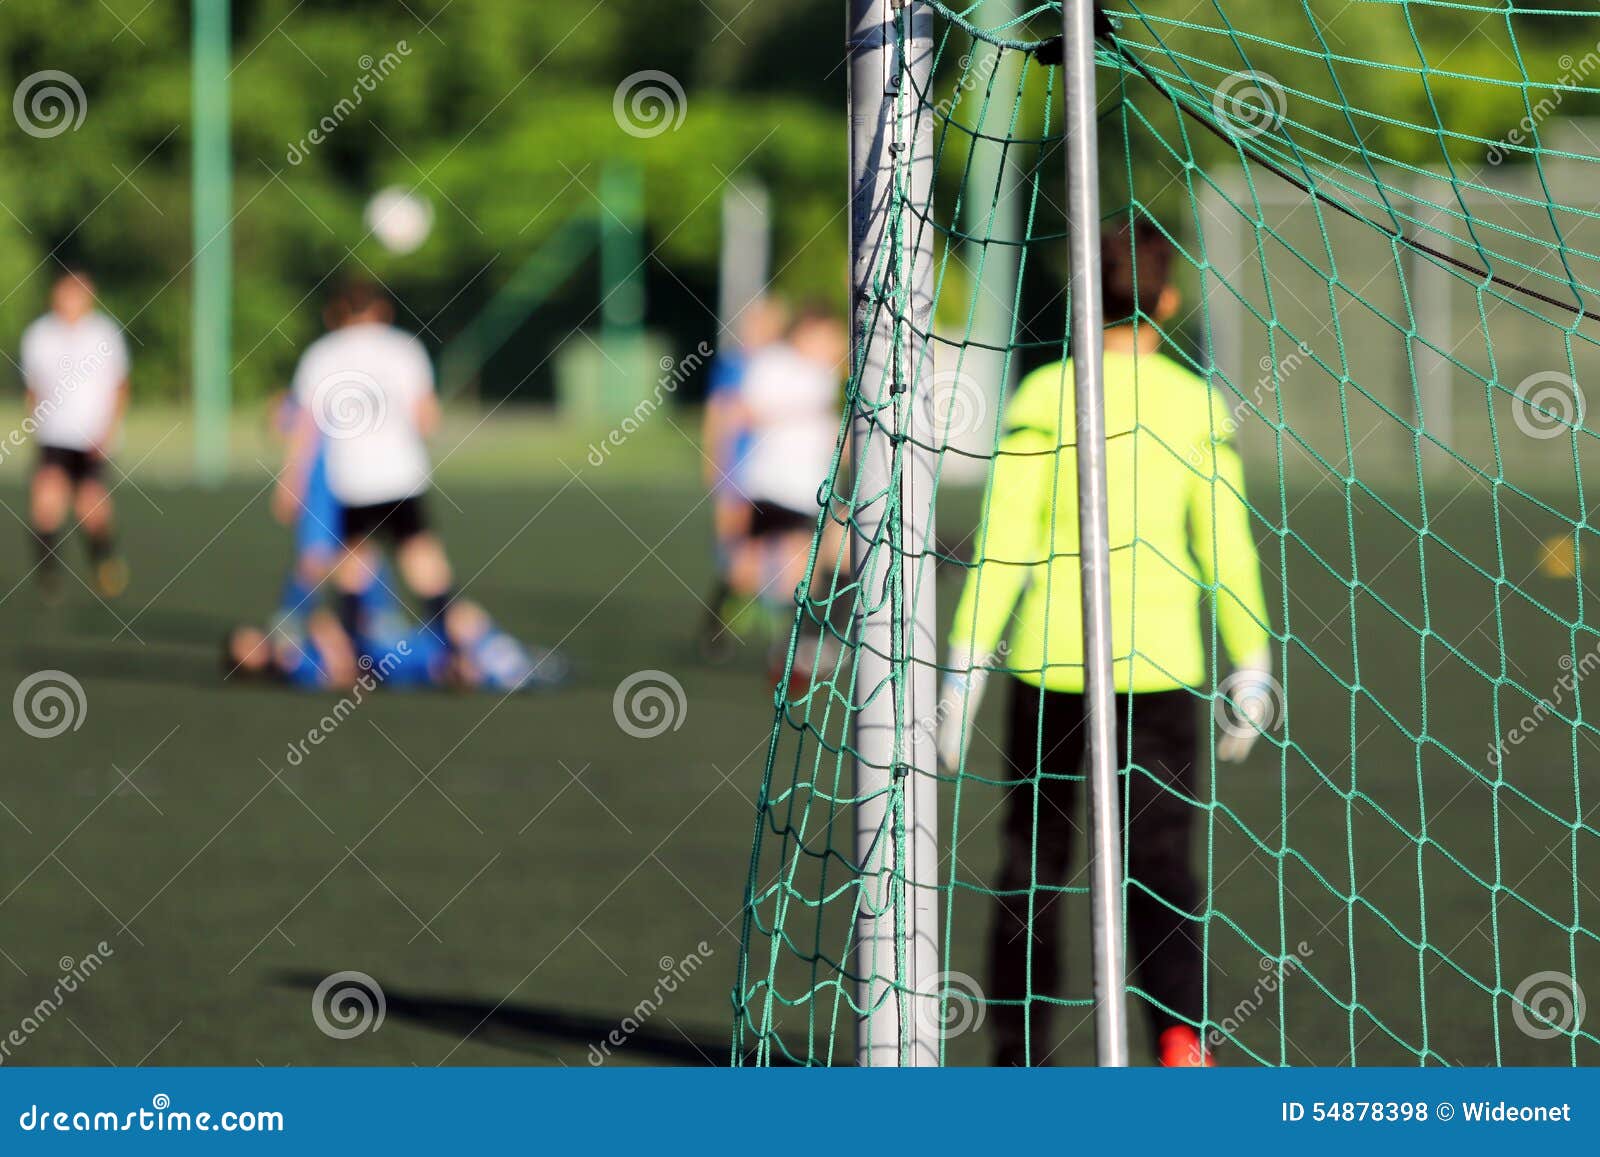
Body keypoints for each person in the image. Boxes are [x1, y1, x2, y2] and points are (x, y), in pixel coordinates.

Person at [938, 221, 1274, 1067]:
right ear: (1168, 298)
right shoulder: (1194, 401)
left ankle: (1020, 1059)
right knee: (1160, 867)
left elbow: (1004, 541)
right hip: (1162, 671)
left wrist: (963, 664)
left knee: (1033, 867)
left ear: (1084, 297)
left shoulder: (1047, 393)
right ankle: (1178, 1039)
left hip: (1052, 669)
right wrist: (1253, 660)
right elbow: (1225, 545)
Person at [274, 280, 457, 654]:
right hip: (402, 475)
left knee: (354, 559)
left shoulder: (321, 355)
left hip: (351, 479)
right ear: (382, 311)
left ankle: (358, 651)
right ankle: (448, 646)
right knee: (421, 554)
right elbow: (427, 418)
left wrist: (291, 482)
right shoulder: (405, 349)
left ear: (339, 313)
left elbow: (305, 428)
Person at [19, 269, 132, 601]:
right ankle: (48, 574)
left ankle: (104, 560)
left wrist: (108, 430)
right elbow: (34, 389)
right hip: (54, 434)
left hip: (92, 436)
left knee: (91, 506)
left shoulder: (104, 334)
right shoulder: (38, 335)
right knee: (46, 503)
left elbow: (120, 386)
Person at [696, 295, 789, 659]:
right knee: (739, 555)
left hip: (778, 477)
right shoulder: (734, 366)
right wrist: (715, 467)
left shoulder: (784, 366)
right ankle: (717, 628)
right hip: (740, 474)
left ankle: (779, 633)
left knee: (784, 554)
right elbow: (718, 419)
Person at [223, 596, 570, 693]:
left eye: (248, 640)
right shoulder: (296, 669)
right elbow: (342, 675)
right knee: (460, 663)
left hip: (392, 643)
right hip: (393, 662)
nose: (254, 645)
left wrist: (327, 631)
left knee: (462, 617)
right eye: (246, 652)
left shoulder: (289, 637)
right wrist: (334, 647)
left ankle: (511, 657)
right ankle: (509, 667)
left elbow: (322, 620)